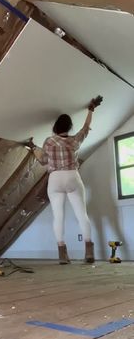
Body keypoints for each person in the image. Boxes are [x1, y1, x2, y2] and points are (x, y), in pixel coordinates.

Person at [29, 96, 102, 264]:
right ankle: (89, 253)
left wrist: (33, 148)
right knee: (82, 215)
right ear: (69, 127)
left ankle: (63, 255)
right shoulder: (74, 141)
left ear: (55, 127)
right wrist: (91, 109)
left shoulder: (48, 141)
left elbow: (43, 160)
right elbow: (86, 127)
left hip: (54, 179)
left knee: (58, 216)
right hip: (72, 176)